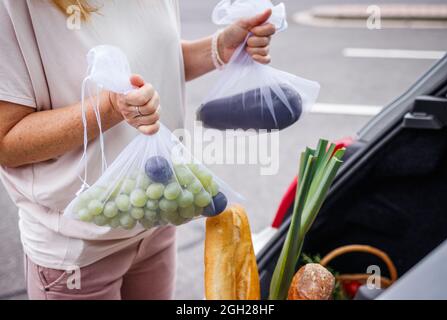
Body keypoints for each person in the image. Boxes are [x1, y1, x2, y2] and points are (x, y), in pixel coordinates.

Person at [0, 0, 276, 300]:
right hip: (79, 251)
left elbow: (155, 60)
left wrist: (219, 49)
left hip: (157, 218)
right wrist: (108, 108)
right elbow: (7, 141)